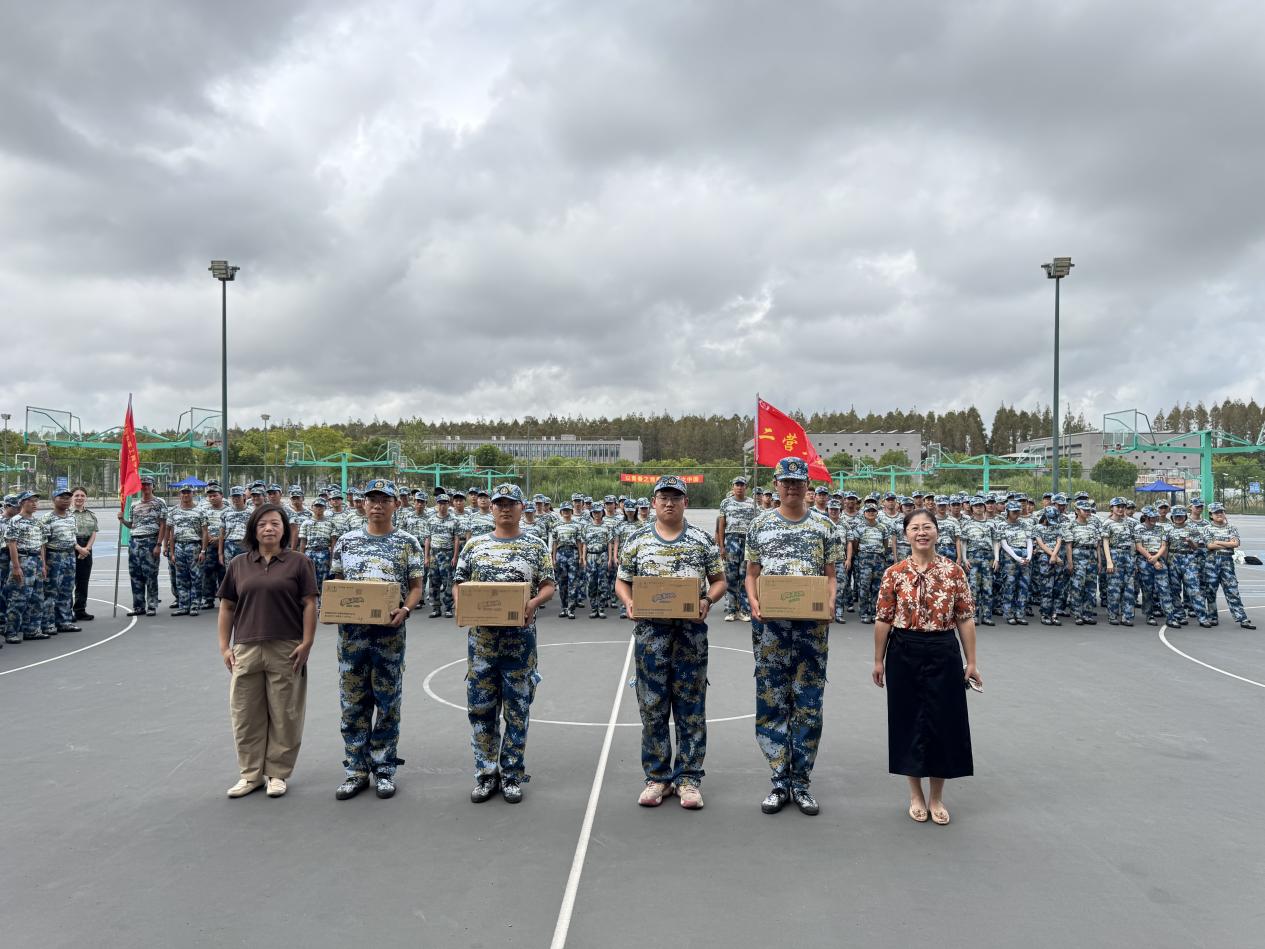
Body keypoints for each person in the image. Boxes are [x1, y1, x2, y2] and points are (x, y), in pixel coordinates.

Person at [615, 475, 726, 810]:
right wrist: (629, 602)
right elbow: (622, 581)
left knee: (691, 709)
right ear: (653, 502)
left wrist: (707, 600)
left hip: (690, 636)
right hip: (651, 636)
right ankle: (658, 777)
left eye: (676, 497)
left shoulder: (701, 540)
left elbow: (720, 581)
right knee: (653, 708)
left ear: (685, 503)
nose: (669, 502)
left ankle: (688, 779)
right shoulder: (637, 540)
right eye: (663, 497)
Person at [744, 457, 842, 817]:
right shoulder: (760, 525)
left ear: (807, 486)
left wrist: (830, 602)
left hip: (810, 630)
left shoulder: (824, 526)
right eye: (785, 482)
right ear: (776, 484)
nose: (791, 487)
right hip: (771, 629)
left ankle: (800, 782)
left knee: (808, 704)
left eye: (798, 482)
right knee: (771, 701)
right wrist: (754, 601)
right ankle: (778, 781)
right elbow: (751, 574)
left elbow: (831, 576)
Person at [872, 508, 980, 826]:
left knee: (943, 722)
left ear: (937, 532)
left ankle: (936, 797)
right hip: (903, 650)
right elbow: (883, 619)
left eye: (927, 527)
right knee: (908, 721)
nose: (921, 532)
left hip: (943, 649)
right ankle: (915, 795)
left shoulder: (953, 571)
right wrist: (878, 660)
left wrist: (972, 661)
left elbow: (965, 617)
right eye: (915, 528)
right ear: (906, 534)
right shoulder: (894, 573)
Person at [454, 483, 555, 804]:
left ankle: (511, 775)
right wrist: (462, 604)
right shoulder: (475, 545)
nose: (505, 508)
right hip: (482, 644)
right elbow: (459, 582)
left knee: (517, 711)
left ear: (522, 507)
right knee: (481, 710)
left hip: (519, 643)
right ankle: (486, 774)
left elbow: (549, 585)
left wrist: (533, 602)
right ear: (492, 508)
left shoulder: (535, 545)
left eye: (511, 503)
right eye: (500, 503)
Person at [329, 479, 423, 801]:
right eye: (372, 499)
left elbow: (416, 587)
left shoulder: (408, 542)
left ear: (396, 504)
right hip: (352, 638)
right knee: (352, 703)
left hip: (389, 637)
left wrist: (406, 609)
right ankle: (356, 770)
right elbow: (338, 583)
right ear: (363, 504)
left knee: (387, 703)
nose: (377, 505)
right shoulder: (347, 541)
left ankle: (384, 769)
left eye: (384, 499)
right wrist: (335, 606)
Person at [216, 503, 318, 799]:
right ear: (253, 530)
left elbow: (309, 603)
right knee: (245, 713)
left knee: (285, 714)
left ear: (285, 529)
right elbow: (227, 607)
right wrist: (224, 647)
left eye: (275, 523)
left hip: (286, 647)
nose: (269, 529)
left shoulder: (299, 562)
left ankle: (277, 773)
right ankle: (250, 775)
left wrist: (307, 643)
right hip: (246, 648)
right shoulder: (239, 564)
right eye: (262, 524)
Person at [118, 475, 166, 617]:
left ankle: (152, 605)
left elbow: (163, 525)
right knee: (135, 575)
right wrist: (122, 520)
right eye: (143, 485)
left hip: (150, 541)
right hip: (135, 542)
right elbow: (132, 525)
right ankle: (138, 606)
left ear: (153, 486)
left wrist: (159, 544)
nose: (145, 487)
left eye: (148, 484)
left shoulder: (159, 503)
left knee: (150, 575)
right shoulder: (134, 505)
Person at [1204, 503, 1256, 629]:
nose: (1219, 514)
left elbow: (1236, 544)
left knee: (1232, 590)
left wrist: (1218, 541)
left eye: (1221, 511)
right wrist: (1228, 543)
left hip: (1227, 562)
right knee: (1210, 591)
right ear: (1211, 515)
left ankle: (1242, 618)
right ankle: (1212, 617)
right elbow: (1209, 546)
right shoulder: (1207, 528)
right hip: (1212, 562)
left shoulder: (1231, 528)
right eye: (1216, 512)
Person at [4, 491, 47, 642]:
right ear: (22, 503)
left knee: (37, 598)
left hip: (36, 561)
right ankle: (11, 632)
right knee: (19, 598)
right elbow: (12, 544)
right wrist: (16, 567)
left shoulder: (38, 522)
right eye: (31, 501)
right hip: (23, 559)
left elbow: (41, 544)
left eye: (36, 501)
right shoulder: (15, 521)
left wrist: (43, 564)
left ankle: (32, 630)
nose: (35, 504)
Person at [40, 488, 82, 634]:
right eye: (62, 497)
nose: (66, 500)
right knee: (51, 591)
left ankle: (64, 621)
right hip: (54, 556)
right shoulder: (47, 518)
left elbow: (73, 537)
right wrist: (43, 563)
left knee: (67, 590)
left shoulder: (71, 517)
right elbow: (43, 543)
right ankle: (48, 623)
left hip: (69, 556)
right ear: (54, 499)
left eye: (68, 498)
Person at [716, 476, 756, 622]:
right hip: (731, 540)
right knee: (731, 576)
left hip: (747, 541)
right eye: (737, 485)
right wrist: (722, 546)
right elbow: (721, 525)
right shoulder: (725, 503)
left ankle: (744, 610)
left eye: (742, 485)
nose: (739, 487)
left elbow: (755, 525)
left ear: (746, 487)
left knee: (745, 577)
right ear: (733, 487)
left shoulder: (752, 504)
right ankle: (731, 610)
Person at [165, 487, 209, 617]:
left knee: (196, 577)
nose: (185, 495)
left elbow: (205, 532)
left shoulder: (200, 511)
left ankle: (195, 605)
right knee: (181, 578)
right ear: (180, 495)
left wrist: (203, 550)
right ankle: (183, 606)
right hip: (179, 546)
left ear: (192, 494)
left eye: (188, 493)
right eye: (183, 493)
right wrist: (172, 552)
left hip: (194, 546)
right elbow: (171, 533)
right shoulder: (173, 511)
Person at [70, 488, 98, 622]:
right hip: (71, 547)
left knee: (83, 581)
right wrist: (78, 548)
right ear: (71, 497)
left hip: (86, 547)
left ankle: (80, 610)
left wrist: (87, 549)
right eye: (76, 495)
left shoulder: (91, 515)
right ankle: (66, 612)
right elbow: (66, 535)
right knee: (68, 582)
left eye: (82, 495)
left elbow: (93, 532)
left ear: (86, 497)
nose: (79, 498)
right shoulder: (67, 514)